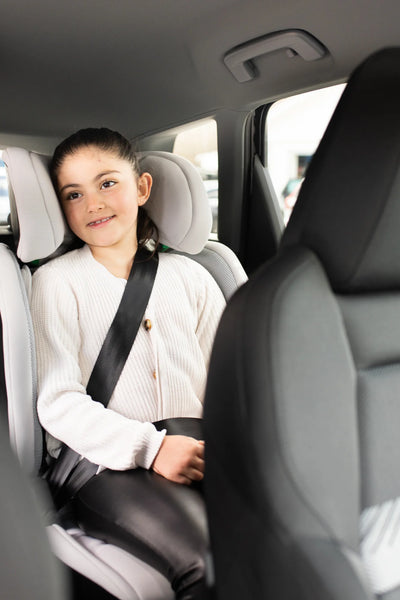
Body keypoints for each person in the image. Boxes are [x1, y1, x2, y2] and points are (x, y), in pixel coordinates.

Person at [30, 128, 226, 600]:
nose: (93, 203)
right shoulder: (56, 282)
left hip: (200, 448)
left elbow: (229, 377)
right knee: (211, 565)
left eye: (107, 183)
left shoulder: (192, 275)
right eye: (74, 194)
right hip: (107, 465)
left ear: (141, 188)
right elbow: (58, 402)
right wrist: (151, 448)